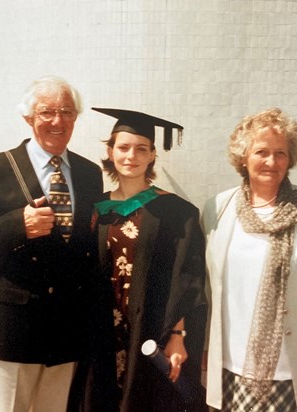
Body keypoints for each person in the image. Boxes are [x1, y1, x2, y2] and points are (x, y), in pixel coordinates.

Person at [0, 76, 109, 412]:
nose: (57, 121)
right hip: (12, 328)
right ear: (28, 118)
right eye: (47, 112)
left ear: (76, 118)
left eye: (66, 112)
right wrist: (16, 225)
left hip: (66, 328)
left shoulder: (88, 173)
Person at [201, 108, 297, 412]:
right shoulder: (219, 208)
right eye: (261, 152)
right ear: (243, 156)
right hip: (232, 362)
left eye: (281, 153)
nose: (271, 162)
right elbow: (211, 287)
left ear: (291, 159)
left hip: (294, 366)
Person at [86, 107, 209, 412]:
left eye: (141, 149)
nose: (131, 156)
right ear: (110, 151)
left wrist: (178, 336)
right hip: (102, 330)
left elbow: (186, 279)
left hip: (153, 330)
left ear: (153, 154)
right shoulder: (95, 209)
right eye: (123, 147)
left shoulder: (177, 212)